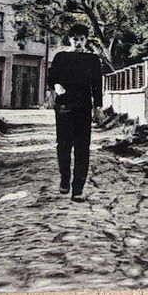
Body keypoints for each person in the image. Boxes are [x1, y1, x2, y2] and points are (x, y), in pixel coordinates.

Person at [47, 23, 103, 201]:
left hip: (83, 108)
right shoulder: (61, 57)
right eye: (74, 39)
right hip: (64, 106)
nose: (78, 42)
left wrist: (98, 108)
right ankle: (65, 177)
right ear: (69, 39)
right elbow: (52, 78)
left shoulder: (92, 60)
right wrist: (56, 86)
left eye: (81, 39)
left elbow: (97, 85)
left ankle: (78, 188)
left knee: (82, 148)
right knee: (63, 145)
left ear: (86, 40)